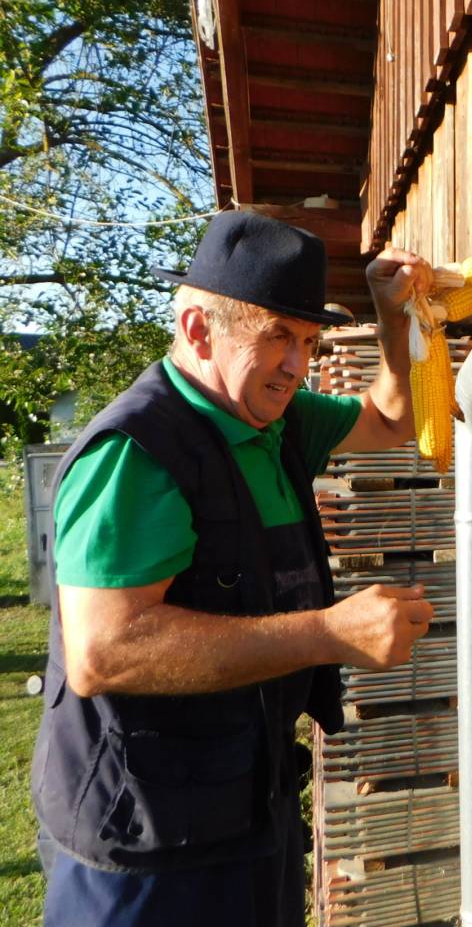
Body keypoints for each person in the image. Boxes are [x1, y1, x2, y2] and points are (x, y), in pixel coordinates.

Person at [31, 210, 439, 927]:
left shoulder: (279, 422)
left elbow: (393, 418)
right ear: (198, 330)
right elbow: (104, 650)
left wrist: (391, 318)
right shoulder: (137, 453)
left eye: (308, 341)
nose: (297, 365)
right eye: (277, 335)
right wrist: (328, 633)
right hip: (144, 848)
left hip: (247, 811)